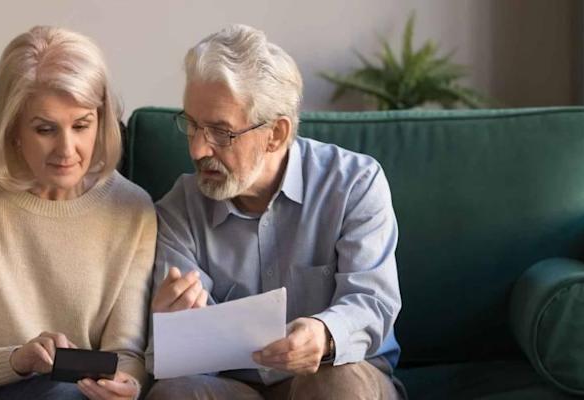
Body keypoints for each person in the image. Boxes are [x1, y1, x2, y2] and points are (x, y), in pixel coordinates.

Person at [145, 24, 405, 400]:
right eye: (192, 125)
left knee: (335, 384)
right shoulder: (179, 208)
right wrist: (172, 328)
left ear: (277, 134)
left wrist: (323, 334)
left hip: (337, 375)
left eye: (221, 132)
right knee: (173, 394)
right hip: (236, 388)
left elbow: (373, 303)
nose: (198, 149)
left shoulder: (355, 184)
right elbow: (181, 360)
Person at [0, 26, 154, 400]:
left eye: (81, 125)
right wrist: (18, 360)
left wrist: (128, 385)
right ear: (12, 129)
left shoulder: (134, 209)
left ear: (101, 120)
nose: (67, 149)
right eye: (45, 129)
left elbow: (125, 352)